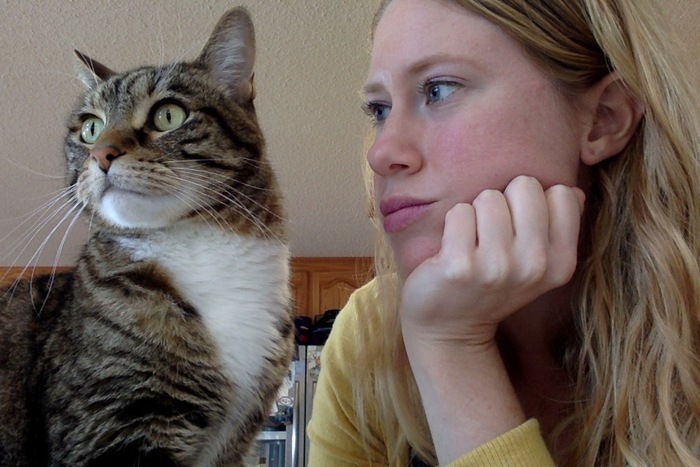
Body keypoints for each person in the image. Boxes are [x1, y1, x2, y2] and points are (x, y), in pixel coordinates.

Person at [307, 0, 700, 465]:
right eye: (379, 110)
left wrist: (452, 351)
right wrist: (448, 340)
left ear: (603, 120)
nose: (380, 153)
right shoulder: (369, 336)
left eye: (438, 89)